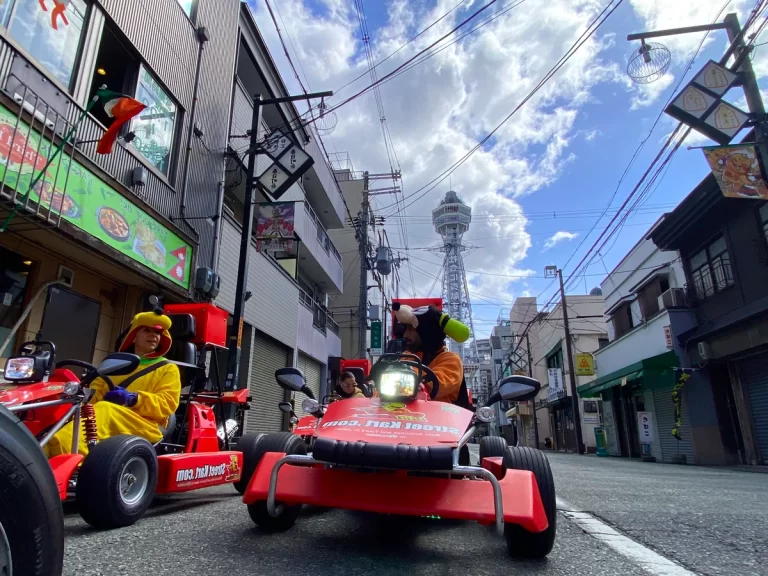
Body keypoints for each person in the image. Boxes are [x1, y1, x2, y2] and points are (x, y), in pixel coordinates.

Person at [45, 310, 181, 458]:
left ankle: (60, 454)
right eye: (146, 330)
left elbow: (168, 403)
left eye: (157, 332)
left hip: (147, 425)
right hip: (112, 419)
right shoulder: (116, 364)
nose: (153, 335)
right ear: (133, 336)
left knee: (105, 408)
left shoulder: (168, 368)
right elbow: (95, 395)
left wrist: (133, 398)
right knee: (71, 411)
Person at [393, 303, 471, 408]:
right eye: (406, 329)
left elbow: (437, 386)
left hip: (441, 420)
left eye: (411, 329)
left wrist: (408, 374)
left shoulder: (451, 359)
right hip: (403, 416)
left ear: (426, 331)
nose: (406, 335)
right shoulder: (407, 356)